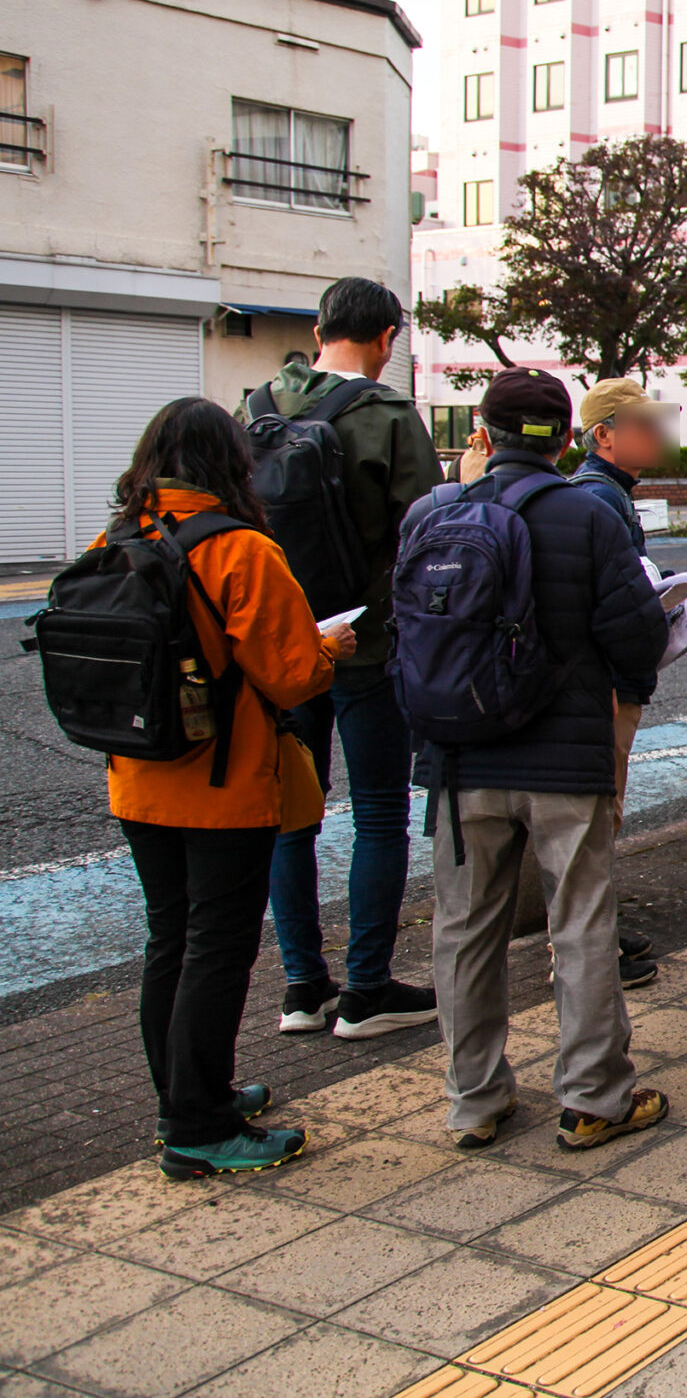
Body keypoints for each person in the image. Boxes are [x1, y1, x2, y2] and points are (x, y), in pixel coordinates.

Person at [412, 369, 671, 1152]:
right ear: (566, 439)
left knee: (463, 928)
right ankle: (593, 1096)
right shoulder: (586, 513)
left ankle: (475, 1100)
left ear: (482, 436)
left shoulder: (431, 513)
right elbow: (638, 638)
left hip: (461, 758)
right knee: (582, 922)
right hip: (564, 758)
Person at [100, 400, 353, 1178]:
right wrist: (327, 645)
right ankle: (197, 1124)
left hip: (139, 777)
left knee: (169, 940)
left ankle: (184, 1093)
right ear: (230, 464)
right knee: (217, 948)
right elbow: (290, 673)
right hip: (224, 784)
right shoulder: (241, 548)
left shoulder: (114, 540)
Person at [241, 276, 443, 1040]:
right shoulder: (388, 414)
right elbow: (425, 533)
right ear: (387, 338)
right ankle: (366, 989)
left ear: (321, 326)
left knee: (292, 809)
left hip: (278, 646)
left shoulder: (254, 407)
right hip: (367, 642)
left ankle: (301, 987)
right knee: (381, 810)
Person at [568, 376, 683, 989]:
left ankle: (598, 932)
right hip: (609, 684)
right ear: (603, 435)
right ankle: (590, 951)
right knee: (595, 814)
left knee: (602, 813)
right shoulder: (597, 497)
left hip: (612, 681)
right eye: (643, 425)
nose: (656, 436)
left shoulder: (610, 493)